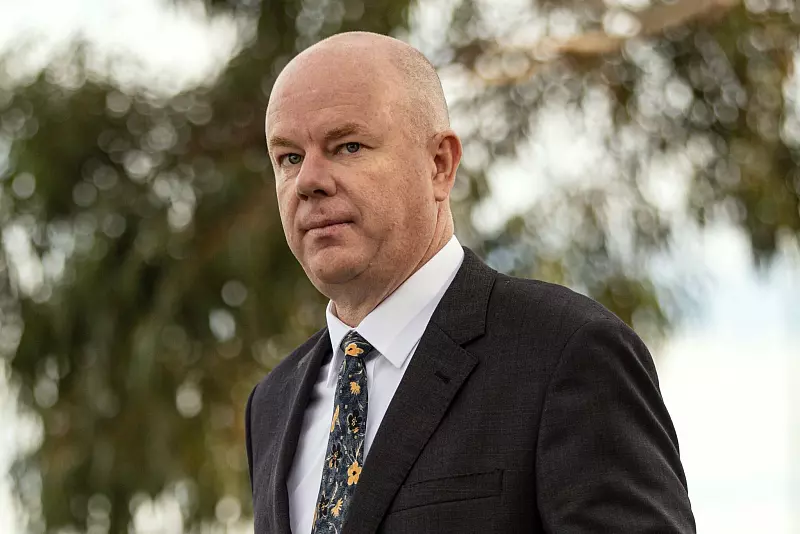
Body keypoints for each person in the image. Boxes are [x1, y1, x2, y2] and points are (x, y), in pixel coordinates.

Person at [245, 31, 695, 534]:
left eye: (348, 146)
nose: (309, 181)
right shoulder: (272, 402)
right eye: (289, 157)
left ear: (440, 165)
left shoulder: (566, 351)